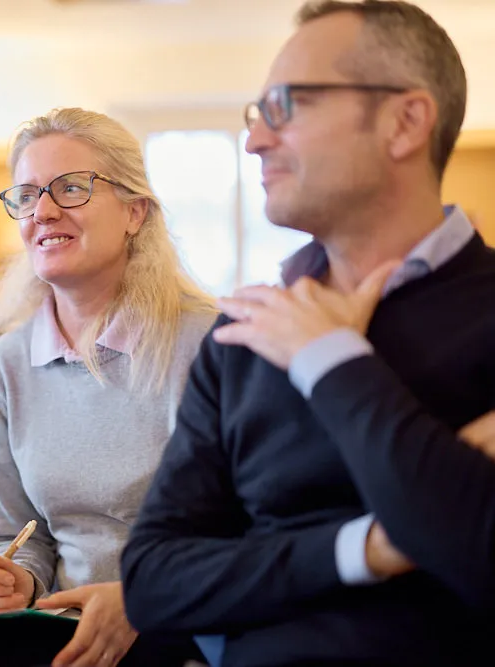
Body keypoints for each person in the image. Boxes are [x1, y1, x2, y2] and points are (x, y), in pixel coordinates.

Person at [121, 2, 495, 665]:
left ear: (405, 121)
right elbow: (152, 582)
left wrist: (333, 360)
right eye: (255, 114)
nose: (256, 141)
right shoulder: (244, 333)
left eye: (285, 106)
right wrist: (372, 544)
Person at [0, 107, 214, 667]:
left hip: (182, 616)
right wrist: (12, 576)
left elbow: (244, 529)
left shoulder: (210, 344)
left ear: (135, 213)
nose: (43, 211)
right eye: (26, 195)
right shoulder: (4, 365)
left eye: (71, 188)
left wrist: (140, 599)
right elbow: (13, 534)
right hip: (62, 624)